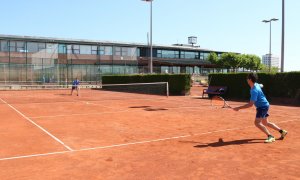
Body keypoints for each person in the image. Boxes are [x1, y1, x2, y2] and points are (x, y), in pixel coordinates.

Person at [233, 73, 288, 143]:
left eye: (247, 78)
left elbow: (250, 104)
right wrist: (260, 86)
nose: (246, 79)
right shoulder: (256, 84)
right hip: (265, 105)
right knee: (266, 122)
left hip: (262, 107)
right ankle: (282, 131)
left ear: (250, 80)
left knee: (257, 123)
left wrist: (238, 108)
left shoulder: (254, 91)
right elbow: (262, 85)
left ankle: (270, 136)